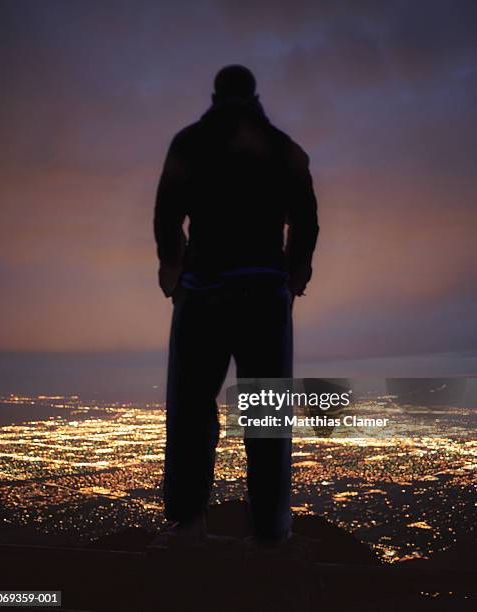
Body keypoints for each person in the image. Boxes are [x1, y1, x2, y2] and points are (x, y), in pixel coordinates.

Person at [154, 65, 319, 545]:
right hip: (264, 292)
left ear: (214, 95)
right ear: (255, 96)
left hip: (202, 291)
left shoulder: (189, 142)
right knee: (267, 416)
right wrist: (292, 277)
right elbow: (306, 222)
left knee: (190, 409)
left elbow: (167, 211)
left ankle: (187, 522)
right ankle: (270, 530)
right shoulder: (284, 147)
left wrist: (172, 269)